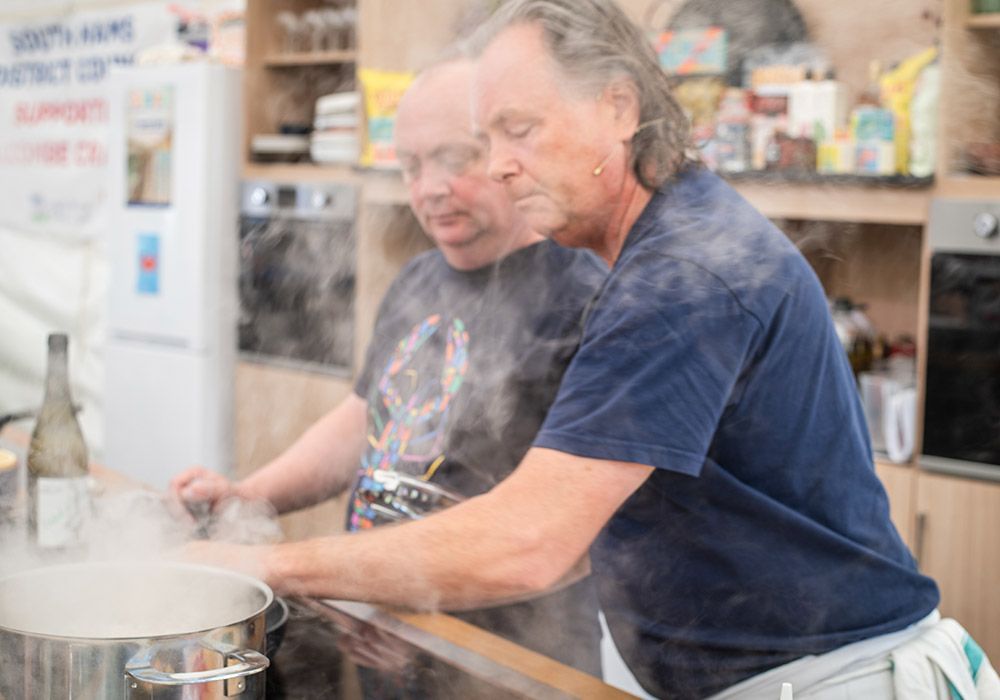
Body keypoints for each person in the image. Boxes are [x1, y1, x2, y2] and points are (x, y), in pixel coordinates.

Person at [179, 3, 992, 699]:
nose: (498, 166)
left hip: (830, 679)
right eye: (483, 138)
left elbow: (533, 542)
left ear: (617, 107)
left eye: (518, 131)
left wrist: (269, 566)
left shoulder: (680, 274)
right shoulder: (655, 252)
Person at [171, 56, 606, 692]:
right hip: (383, 634)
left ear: (510, 151)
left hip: (502, 663)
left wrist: (429, 612)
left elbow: (580, 537)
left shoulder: (587, 294)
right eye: (411, 165)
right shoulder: (418, 279)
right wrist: (247, 495)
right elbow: (361, 422)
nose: (429, 186)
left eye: (454, 158)